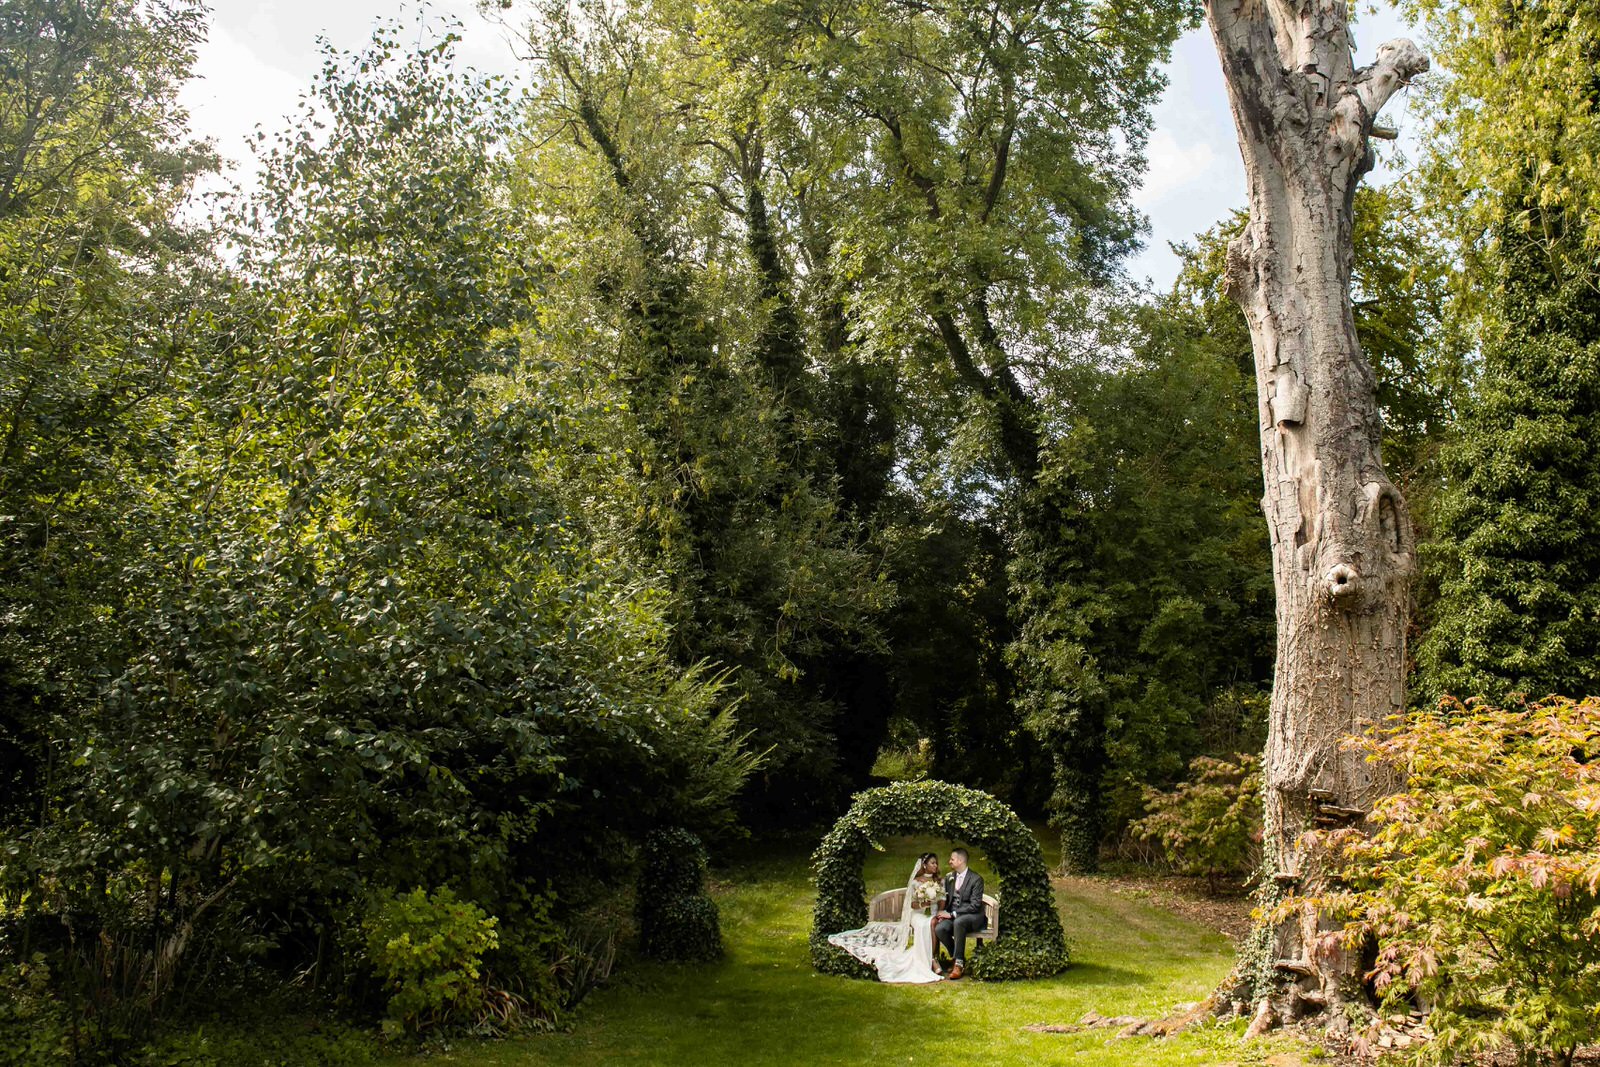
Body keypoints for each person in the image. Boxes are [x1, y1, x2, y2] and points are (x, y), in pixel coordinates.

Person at [826, 852, 944, 984]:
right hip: (917, 914)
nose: (935, 865)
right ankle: (933, 959)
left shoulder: (938, 881)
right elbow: (911, 904)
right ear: (924, 865)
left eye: (936, 863)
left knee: (933, 921)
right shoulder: (916, 882)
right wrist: (924, 903)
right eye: (932, 863)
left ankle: (930, 958)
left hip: (932, 914)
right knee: (929, 923)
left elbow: (942, 899)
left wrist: (939, 910)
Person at [933, 847, 986, 980]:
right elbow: (946, 898)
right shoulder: (949, 877)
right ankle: (956, 956)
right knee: (940, 928)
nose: (949, 861)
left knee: (959, 921)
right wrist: (941, 912)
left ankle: (959, 964)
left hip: (973, 917)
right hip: (955, 916)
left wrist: (952, 914)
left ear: (961, 860)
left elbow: (974, 906)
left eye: (952, 859)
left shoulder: (976, 879)